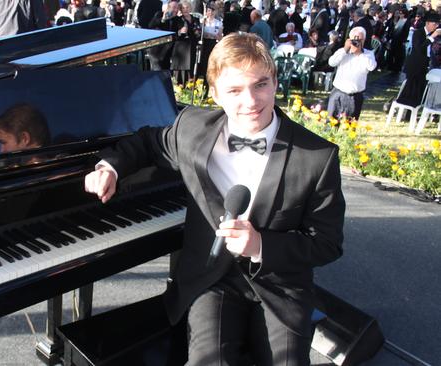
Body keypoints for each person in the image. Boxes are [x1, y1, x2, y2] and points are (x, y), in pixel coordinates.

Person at [84, 32, 345, 365]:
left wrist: (260, 245)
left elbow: (327, 244)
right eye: (234, 90)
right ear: (215, 93)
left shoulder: (317, 157)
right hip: (211, 279)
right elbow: (148, 142)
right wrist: (110, 168)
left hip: (281, 287)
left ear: (276, 82)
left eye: (260, 84)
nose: (250, 101)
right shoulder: (191, 128)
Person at [326, 27, 377, 119]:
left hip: (355, 96)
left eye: (360, 40)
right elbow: (331, 62)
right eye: (354, 39)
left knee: (350, 127)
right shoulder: (342, 52)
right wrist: (345, 49)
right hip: (338, 92)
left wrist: (359, 53)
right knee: (330, 123)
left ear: (364, 40)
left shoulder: (368, 54)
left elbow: (372, 67)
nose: (356, 42)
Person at [396, 12, 441, 107]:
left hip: (425, 66)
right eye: (434, 24)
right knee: (410, 90)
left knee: (419, 91)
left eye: (437, 25)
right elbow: (419, 48)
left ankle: (414, 109)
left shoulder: (433, 35)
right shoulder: (418, 33)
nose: (436, 27)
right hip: (415, 65)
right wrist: (432, 37)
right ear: (428, 23)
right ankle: (404, 110)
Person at [171, 1, 201, 84]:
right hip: (181, 50)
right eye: (183, 8)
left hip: (192, 48)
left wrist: (198, 32)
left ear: (190, 8)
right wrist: (180, 31)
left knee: (192, 70)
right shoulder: (177, 20)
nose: (185, 9)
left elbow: (199, 34)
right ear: (181, 9)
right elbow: (173, 35)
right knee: (181, 73)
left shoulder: (196, 19)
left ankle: (191, 90)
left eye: (187, 7)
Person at [148, 0, 183, 70]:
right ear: (168, 7)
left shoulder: (177, 19)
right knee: (157, 71)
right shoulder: (160, 14)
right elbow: (150, 25)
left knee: (165, 72)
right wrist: (163, 19)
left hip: (168, 51)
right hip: (156, 51)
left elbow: (180, 33)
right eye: (174, 7)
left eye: (177, 8)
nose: (175, 10)